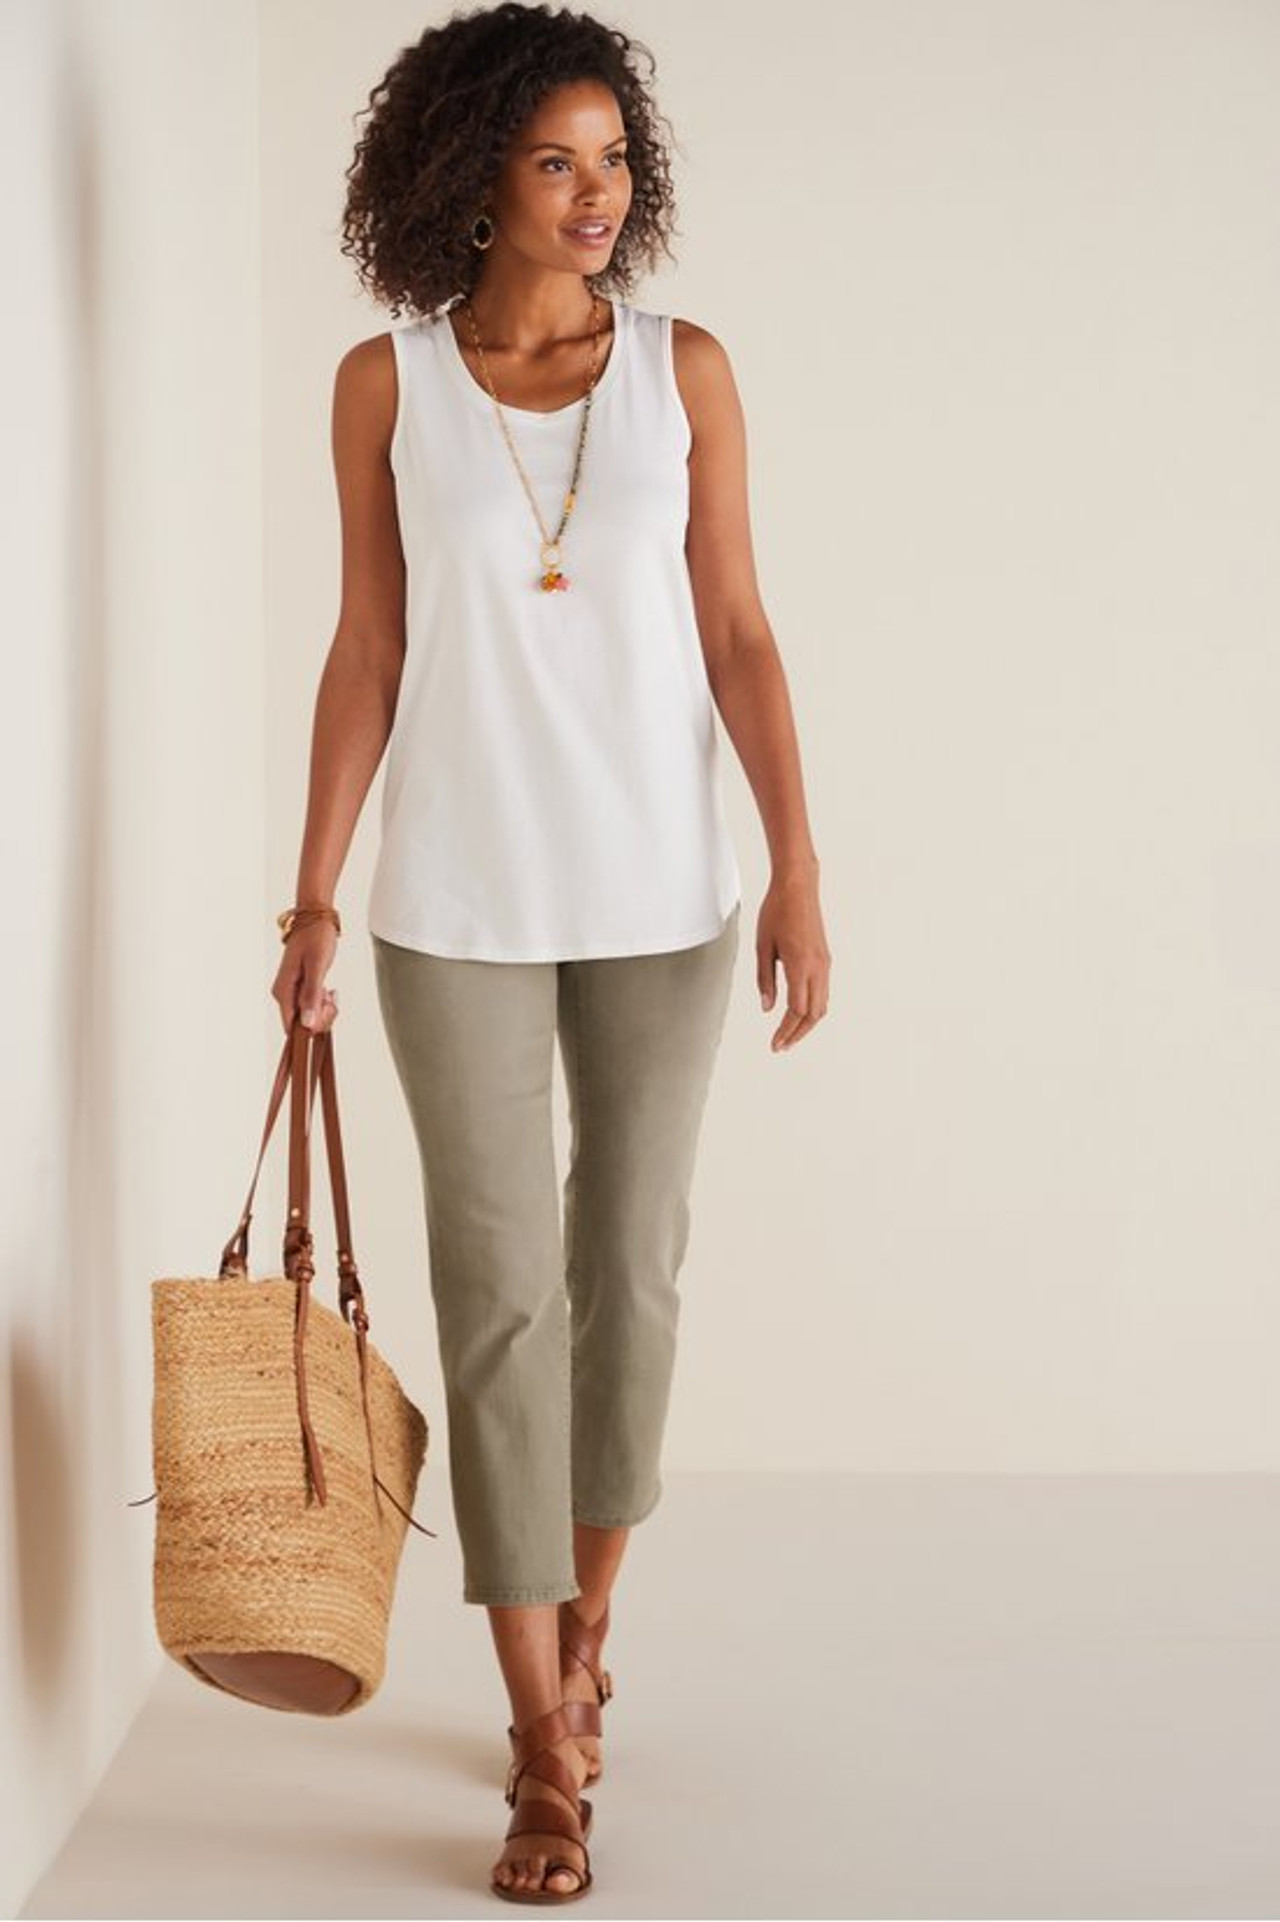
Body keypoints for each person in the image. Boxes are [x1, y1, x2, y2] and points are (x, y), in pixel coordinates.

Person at [271, 1, 831, 1902]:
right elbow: (368, 644)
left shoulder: (684, 370)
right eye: (553, 160)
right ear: (469, 176)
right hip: (455, 904)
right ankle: (540, 1738)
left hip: (668, 894)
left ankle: (588, 1632)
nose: (597, 194)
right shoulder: (386, 383)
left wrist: (798, 864)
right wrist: (313, 892)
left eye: (613, 159)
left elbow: (740, 629)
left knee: (631, 1271)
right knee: (499, 1294)